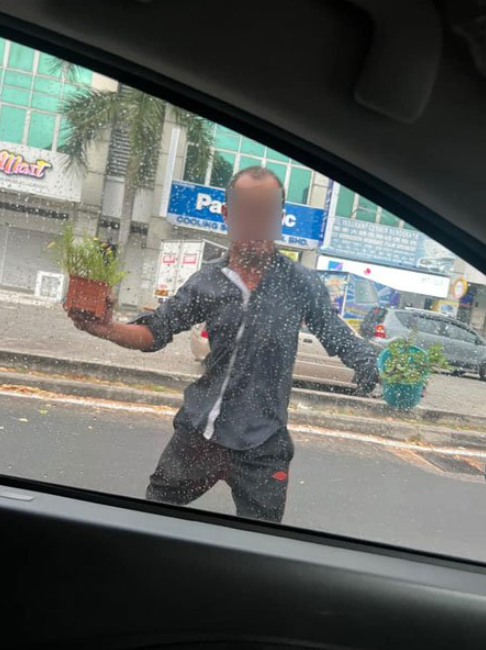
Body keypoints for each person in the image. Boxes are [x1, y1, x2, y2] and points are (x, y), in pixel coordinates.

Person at [68, 166, 379, 523]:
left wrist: (376, 365)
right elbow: (155, 332)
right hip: (200, 433)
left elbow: (334, 332)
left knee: (261, 543)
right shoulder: (207, 283)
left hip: (263, 444)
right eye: (247, 211)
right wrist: (104, 327)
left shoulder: (300, 283)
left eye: (266, 212)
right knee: (152, 519)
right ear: (228, 216)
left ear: (279, 218)